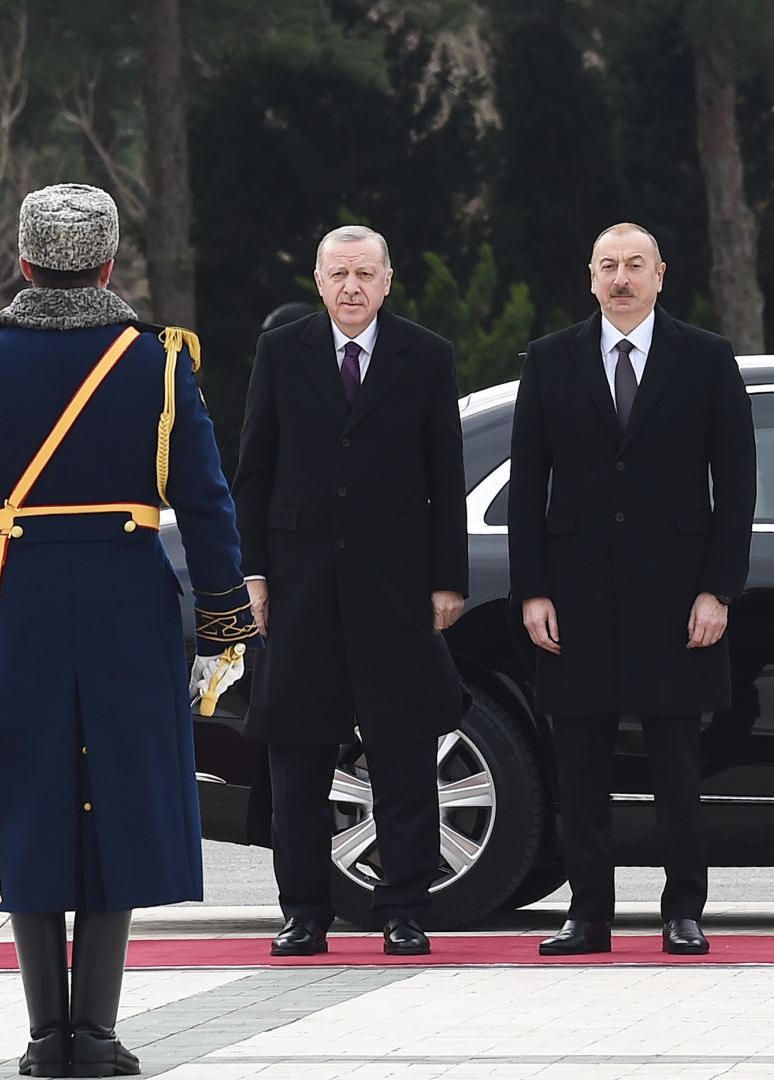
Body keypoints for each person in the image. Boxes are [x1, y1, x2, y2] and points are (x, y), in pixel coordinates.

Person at [0, 183, 257, 1077]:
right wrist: (223, 624)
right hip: (125, 608)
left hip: (14, 606)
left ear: (23, 264)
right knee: (120, 808)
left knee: (27, 806)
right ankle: (94, 1035)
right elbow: (208, 507)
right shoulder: (158, 361)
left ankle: (42, 1038)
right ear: (107, 266)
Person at [508, 222, 756, 957]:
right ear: (590, 277)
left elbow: (736, 484)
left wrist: (717, 590)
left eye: (635, 265)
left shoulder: (705, 358)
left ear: (660, 275)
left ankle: (683, 910)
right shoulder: (551, 360)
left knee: (676, 764)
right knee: (578, 763)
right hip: (575, 593)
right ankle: (588, 914)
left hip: (677, 596)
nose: (621, 278)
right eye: (608, 266)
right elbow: (528, 487)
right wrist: (532, 590)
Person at [233, 225, 468, 957]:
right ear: (319, 280)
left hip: (394, 587)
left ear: (388, 280)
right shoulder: (282, 351)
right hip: (300, 587)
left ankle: (403, 908)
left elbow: (444, 479)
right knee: (297, 757)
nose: (351, 288)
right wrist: (255, 573)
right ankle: (303, 911)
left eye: (365, 273)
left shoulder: (425, 356)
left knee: (403, 754)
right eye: (338, 274)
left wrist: (447, 581)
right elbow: (255, 471)